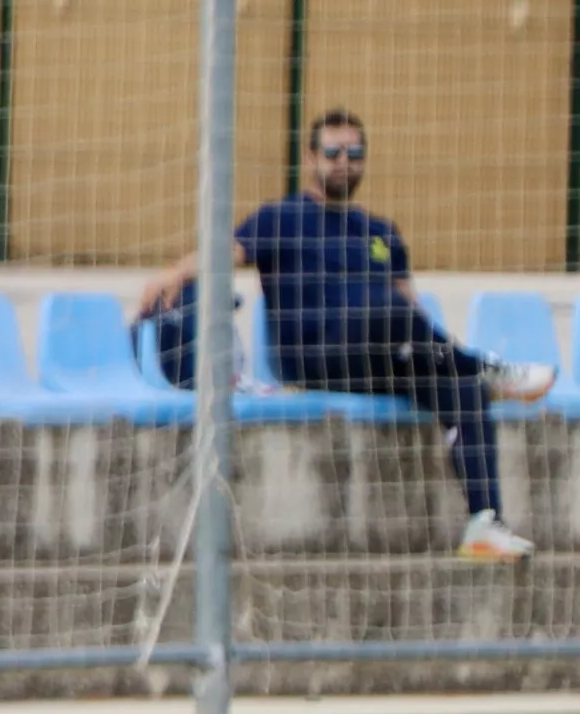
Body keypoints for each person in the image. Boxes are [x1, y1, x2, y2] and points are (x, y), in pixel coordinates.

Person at [134, 109, 555, 562]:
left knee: (461, 387)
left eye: (354, 153)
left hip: (377, 359)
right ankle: (488, 367)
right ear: (311, 157)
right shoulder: (283, 217)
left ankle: (484, 522)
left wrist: (433, 353)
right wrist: (172, 273)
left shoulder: (380, 232)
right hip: (316, 355)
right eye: (332, 152)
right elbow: (225, 253)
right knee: (391, 312)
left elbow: (413, 316)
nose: (343, 162)